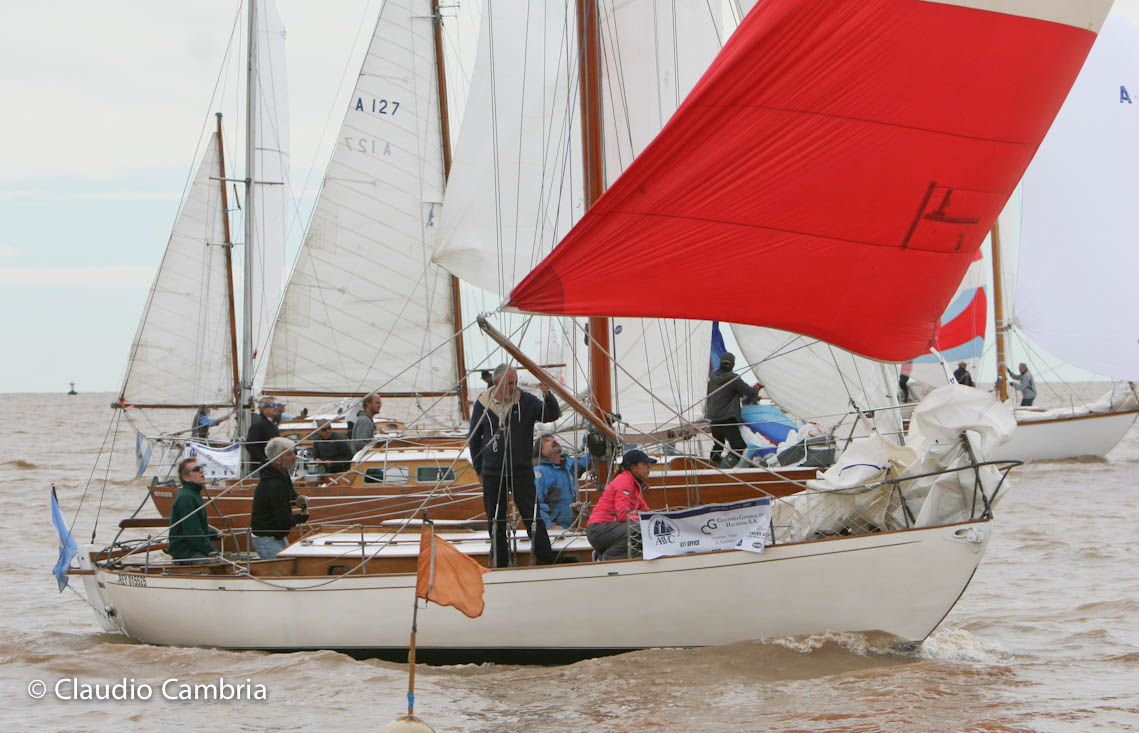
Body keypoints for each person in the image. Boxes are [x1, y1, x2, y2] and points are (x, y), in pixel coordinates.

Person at [469, 363, 560, 567]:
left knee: (532, 516)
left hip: (521, 470)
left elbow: (550, 415)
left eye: (515, 382)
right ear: (496, 383)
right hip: (492, 472)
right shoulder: (482, 404)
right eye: (510, 383)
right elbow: (474, 439)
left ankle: (546, 559)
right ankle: (500, 563)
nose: (514, 387)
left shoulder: (525, 401)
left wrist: (548, 396)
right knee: (496, 520)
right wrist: (478, 470)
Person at [586, 449, 654, 561]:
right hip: (599, 529)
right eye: (645, 464)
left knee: (647, 527)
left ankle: (603, 555)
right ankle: (610, 558)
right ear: (634, 467)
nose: (649, 467)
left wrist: (657, 520)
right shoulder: (624, 481)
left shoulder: (635, 485)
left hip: (606, 529)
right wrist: (647, 522)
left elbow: (647, 513)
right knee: (640, 528)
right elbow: (623, 515)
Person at [250, 437, 309, 559]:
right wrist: (302, 517)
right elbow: (283, 521)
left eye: (294, 453)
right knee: (283, 567)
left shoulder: (281, 474)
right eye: (289, 454)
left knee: (290, 563)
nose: (294, 457)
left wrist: (297, 498)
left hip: (277, 535)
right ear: (277, 460)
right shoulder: (273, 484)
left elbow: (289, 492)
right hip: (266, 538)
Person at [706, 352, 761, 467]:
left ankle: (712, 468)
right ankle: (723, 470)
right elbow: (750, 393)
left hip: (713, 419)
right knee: (739, 447)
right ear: (733, 364)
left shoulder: (711, 378)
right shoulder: (733, 379)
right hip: (727, 419)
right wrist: (757, 387)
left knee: (718, 446)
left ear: (720, 363)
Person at [168, 457, 219, 564]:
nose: (201, 470)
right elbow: (192, 532)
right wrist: (213, 552)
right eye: (196, 469)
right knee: (218, 563)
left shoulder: (193, 493)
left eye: (201, 467)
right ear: (186, 477)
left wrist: (215, 534)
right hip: (186, 553)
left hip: (193, 549)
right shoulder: (186, 497)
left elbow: (197, 527)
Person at [534, 433, 590, 530]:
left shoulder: (568, 466)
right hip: (554, 529)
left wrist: (597, 447)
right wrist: (549, 526)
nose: (553, 440)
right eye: (547, 441)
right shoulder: (539, 472)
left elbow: (587, 460)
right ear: (540, 451)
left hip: (572, 527)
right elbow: (536, 504)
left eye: (553, 439)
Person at [246, 396, 281, 472]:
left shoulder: (273, 424)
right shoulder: (258, 425)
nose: (275, 407)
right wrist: (263, 460)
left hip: (272, 466)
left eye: (276, 405)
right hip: (261, 468)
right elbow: (250, 445)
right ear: (263, 409)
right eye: (272, 405)